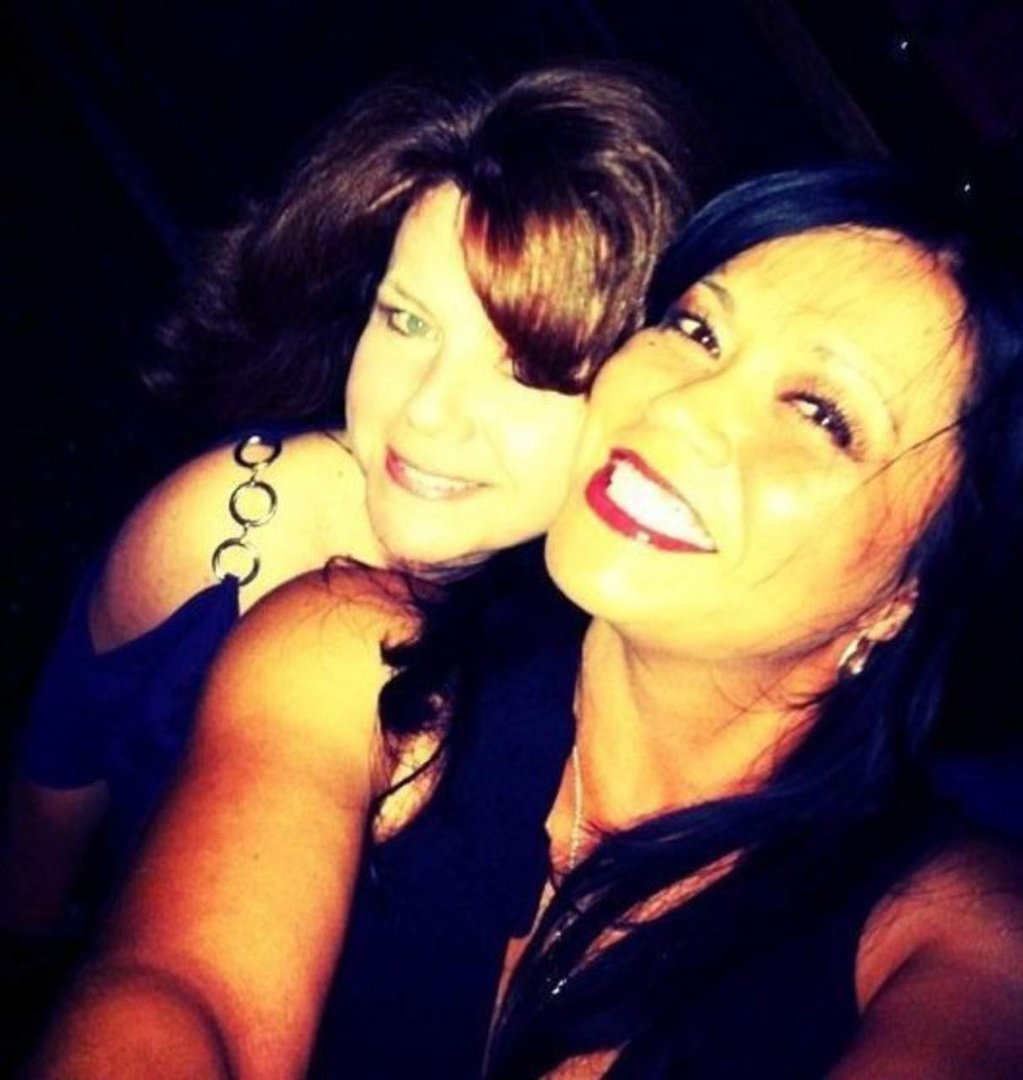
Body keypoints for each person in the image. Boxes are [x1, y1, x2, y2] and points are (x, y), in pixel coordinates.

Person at [30, 164, 1023, 1079]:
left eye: (819, 413)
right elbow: (183, 995)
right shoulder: (356, 655)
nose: (681, 409)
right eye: (696, 329)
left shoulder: (955, 934)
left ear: (910, 593)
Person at [1, 62, 690, 940]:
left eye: (527, 369)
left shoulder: (640, 670)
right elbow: (49, 807)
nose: (427, 410)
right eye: (408, 321)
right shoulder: (235, 525)